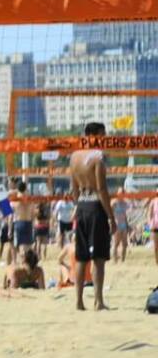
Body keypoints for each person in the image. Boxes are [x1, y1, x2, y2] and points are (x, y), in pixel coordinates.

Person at [69, 123, 114, 312]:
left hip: (82, 206)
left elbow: (74, 190)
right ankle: (98, 301)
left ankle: (79, 301)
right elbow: (102, 189)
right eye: (102, 136)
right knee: (98, 258)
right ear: (91, 135)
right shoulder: (98, 157)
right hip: (96, 206)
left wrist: (77, 207)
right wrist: (111, 216)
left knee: (81, 257)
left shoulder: (74, 157)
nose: (104, 139)